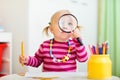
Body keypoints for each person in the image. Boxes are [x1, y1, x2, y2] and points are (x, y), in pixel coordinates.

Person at [19, 10, 88, 72]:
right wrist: (27, 60)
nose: (65, 26)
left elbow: (83, 59)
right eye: (61, 23)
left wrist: (78, 42)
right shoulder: (45, 45)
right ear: (51, 29)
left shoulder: (74, 45)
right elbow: (37, 61)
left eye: (69, 24)